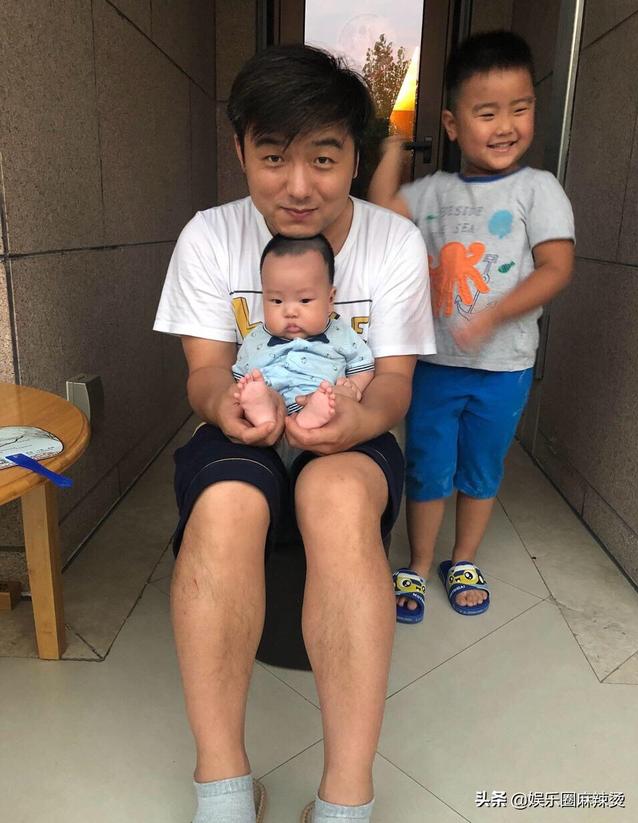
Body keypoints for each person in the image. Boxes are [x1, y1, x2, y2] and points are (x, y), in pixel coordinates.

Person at [153, 44, 435, 823]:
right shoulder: (209, 237)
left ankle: (347, 799)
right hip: (242, 420)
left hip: (351, 419)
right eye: (274, 156)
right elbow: (204, 372)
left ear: (356, 158)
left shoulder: (393, 244)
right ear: (241, 149)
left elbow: (395, 381)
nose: (299, 185)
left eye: (324, 158)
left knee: (338, 500)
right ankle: (222, 792)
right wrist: (228, 407)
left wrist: (356, 419)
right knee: (224, 506)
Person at [369, 30, 575, 623]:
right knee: (428, 466)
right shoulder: (433, 192)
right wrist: (394, 143)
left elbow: (556, 267)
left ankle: (462, 560)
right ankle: (416, 564)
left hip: (504, 369)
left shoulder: (539, 189)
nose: (505, 126)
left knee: (481, 469)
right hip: (433, 367)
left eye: (520, 108)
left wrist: (493, 314)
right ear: (453, 125)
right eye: (487, 113)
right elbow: (381, 213)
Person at [232, 233, 375, 433]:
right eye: (276, 301)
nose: (290, 312)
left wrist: (352, 387)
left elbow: (363, 366)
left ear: (330, 299)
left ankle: (310, 417)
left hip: (321, 401)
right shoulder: (255, 338)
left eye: (305, 300)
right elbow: (240, 376)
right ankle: (263, 413)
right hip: (274, 404)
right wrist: (249, 389)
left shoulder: (340, 333)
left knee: (332, 399)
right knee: (258, 391)